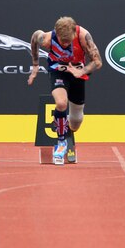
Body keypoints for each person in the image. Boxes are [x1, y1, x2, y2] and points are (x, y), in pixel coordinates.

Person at [27, 16, 103, 164]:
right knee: (61, 104)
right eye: (63, 42)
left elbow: (98, 62)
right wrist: (35, 64)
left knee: (76, 121)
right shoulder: (47, 38)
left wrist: (82, 71)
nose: (67, 44)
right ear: (56, 34)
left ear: (74, 33)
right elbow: (34, 38)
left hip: (78, 72)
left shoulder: (83, 36)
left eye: (69, 41)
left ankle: (67, 127)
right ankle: (61, 143)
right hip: (58, 71)